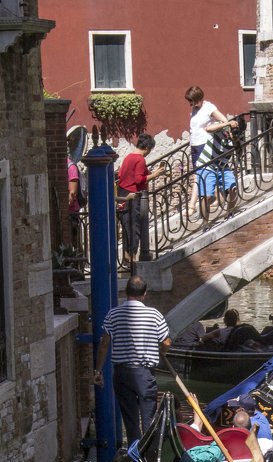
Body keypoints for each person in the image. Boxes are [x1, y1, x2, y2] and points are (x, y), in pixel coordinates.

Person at [93, 275, 172, 444]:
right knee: (149, 419)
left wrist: (98, 371)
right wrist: (161, 352)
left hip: (122, 374)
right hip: (144, 375)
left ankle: (135, 455)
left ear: (125, 292)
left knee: (130, 422)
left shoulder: (113, 314)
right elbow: (166, 342)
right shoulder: (154, 315)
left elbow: (104, 344)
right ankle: (148, 456)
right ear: (144, 294)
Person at [186, 85, 239, 218]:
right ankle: (211, 199)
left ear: (198, 98)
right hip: (195, 146)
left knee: (200, 175)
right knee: (197, 175)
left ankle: (192, 206)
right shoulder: (194, 109)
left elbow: (224, 120)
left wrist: (227, 130)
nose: (190, 104)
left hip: (206, 145)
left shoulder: (208, 107)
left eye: (191, 101)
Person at [117, 134, 166, 264]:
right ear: (146, 147)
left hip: (123, 193)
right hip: (133, 194)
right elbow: (138, 179)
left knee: (127, 225)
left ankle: (127, 256)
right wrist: (155, 174)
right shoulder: (139, 159)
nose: (149, 153)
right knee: (135, 226)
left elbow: (121, 175)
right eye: (150, 149)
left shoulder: (128, 157)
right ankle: (133, 257)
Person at [195, 119, 239, 221]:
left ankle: (228, 213)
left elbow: (240, 154)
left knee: (233, 189)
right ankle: (205, 223)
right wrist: (228, 123)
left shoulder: (238, 137)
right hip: (206, 165)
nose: (235, 134)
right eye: (234, 132)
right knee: (207, 196)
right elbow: (208, 128)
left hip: (222, 166)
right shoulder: (222, 128)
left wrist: (236, 142)